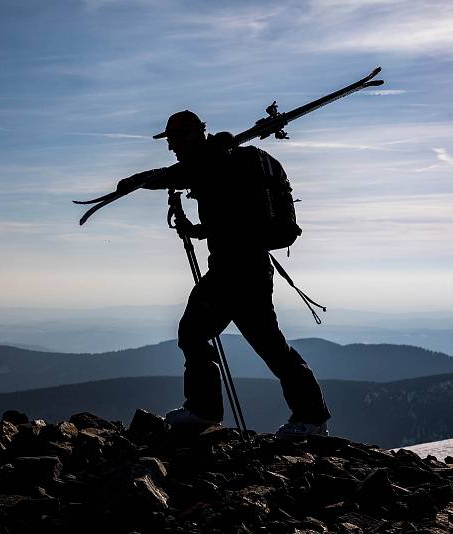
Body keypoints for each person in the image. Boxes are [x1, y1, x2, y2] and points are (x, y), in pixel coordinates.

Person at [117, 110, 331, 438]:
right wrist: (198, 230)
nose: (171, 147)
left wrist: (137, 181)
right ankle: (311, 416)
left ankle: (204, 411)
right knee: (270, 346)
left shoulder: (212, 162)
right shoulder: (218, 163)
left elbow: (173, 176)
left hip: (233, 272)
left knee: (194, 332)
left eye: (173, 139)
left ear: (190, 135)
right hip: (249, 268)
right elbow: (230, 220)